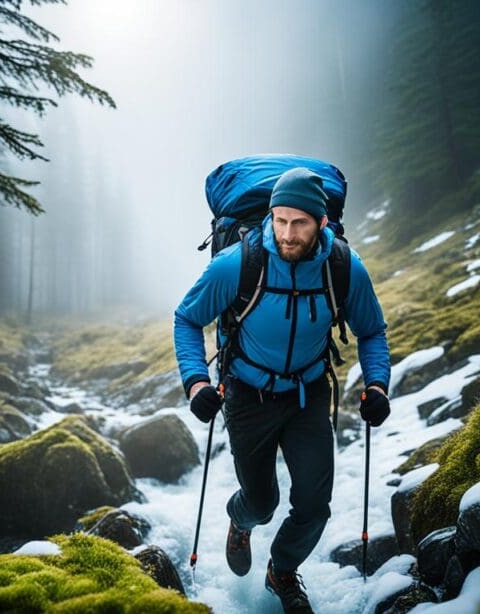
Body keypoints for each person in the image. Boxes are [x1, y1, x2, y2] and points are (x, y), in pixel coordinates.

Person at [173, 167, 391, 613]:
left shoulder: (344, 267)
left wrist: (377, 384)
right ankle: (240, 519)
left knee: (314, 503)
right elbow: (187, 319)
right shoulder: (238, 263)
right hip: (247, 396)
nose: (288, 234)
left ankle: (283, 571)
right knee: (262, 500)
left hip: (308, 395)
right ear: (270, 217)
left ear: (322, 223)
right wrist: (196, 382)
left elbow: (372, 331)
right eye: (280, 220)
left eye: (300, 223)